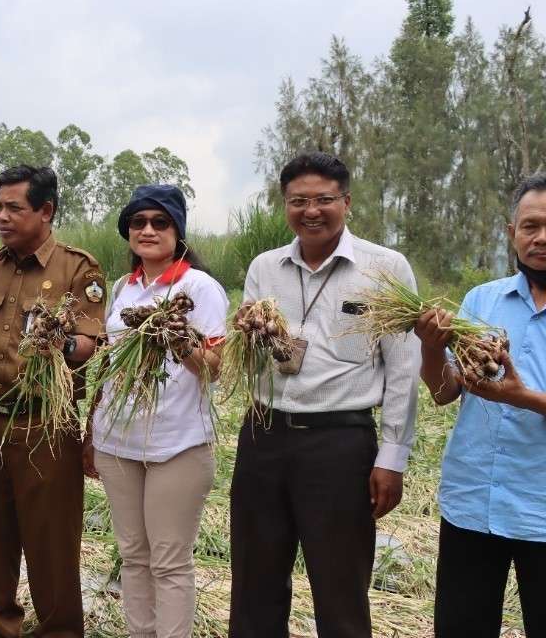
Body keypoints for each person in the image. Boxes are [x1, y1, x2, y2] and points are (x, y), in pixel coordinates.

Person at [229, 152, 420, 638]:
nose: (311, 211)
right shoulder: (265, 267)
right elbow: (248, 358)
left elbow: (403, 367)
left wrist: (392, 457)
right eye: (298, 201)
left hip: (340, 443)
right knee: (254, 583)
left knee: (340, 588)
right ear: (285, 204)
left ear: (346, 202)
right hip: (264, 436)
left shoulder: (385, 267)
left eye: (323, 200)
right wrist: (244, 335)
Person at [0, 165, 105, 638]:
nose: (1, 217)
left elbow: (87, 344)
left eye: (14, 208)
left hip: (45, 426)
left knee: (51, 544)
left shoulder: (78, 268)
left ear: (45, 211)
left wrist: (59, 342)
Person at [82, 185, 227, 638]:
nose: (147, 230)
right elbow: (108, 365)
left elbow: (214, 369)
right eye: (138, 222)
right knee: (132, 555)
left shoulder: (198, 287)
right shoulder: (123, 287)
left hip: (176, 444)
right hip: (118, 442)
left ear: (177, 231)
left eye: (159, 222)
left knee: (168, 561)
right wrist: (92, 430)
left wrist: (177, 338)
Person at [415, 173, 546, 637]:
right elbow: (445, 391)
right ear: (511, 233)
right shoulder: (481, 300)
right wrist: (431, 348)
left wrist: (524, 398)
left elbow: (518, 396)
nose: (541, 237)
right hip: (473, 503)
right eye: (530, 226)